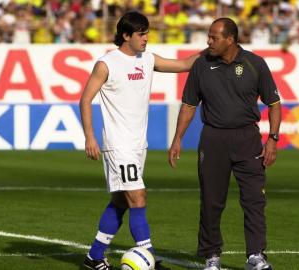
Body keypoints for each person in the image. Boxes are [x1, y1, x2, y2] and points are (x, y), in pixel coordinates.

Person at [79, 11, 197, 270]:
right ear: (126, 35)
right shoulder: (107, 63)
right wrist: (90, 135)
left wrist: (211, 51)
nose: (146, 38)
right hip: (118, 144)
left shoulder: (148, 59)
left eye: (147, 33)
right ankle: (149, 256)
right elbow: (85, 98)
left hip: (136, 145)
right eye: (141, 34)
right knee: (138, 197)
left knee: (121, 201)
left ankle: (94, 256)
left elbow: (183, 64)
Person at [168, 18, 281, 270]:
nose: (208, 42)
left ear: (230, 40)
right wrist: (177, 139)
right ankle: (211, 257)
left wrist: (272, 139)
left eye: (213, 37)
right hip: (213, 140)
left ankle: (256, 256)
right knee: (211, 200)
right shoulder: (201, 65)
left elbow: (274, 104)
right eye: (208, 36)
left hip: (248, 140)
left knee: (254, 200)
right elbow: (189, 105)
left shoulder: (255, 64)